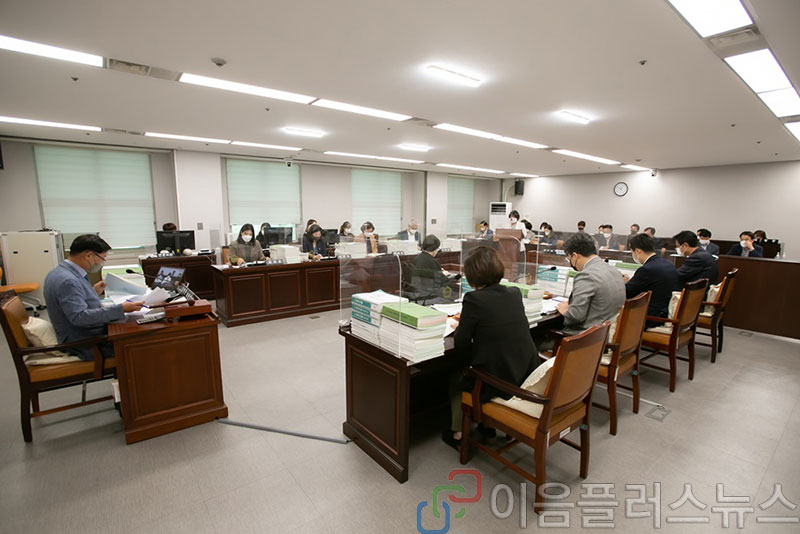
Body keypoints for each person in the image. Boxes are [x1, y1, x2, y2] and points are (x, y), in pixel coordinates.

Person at [444, 246, 540, 449]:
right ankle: (488, 429)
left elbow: (461, 343)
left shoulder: (474, 299)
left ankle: (458, 433)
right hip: (522, 372)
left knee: (456, 375)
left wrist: (461, 324)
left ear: (472, 275)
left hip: (496, 381)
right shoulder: (514, 293)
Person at [43, 234, 143, 360]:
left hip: (82, 335)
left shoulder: (60, 272)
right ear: (89, 255)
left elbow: (71, 302)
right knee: (146, 338)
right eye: (102, 258)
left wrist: (92, 292)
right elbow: (79, 317)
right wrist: (121, 309)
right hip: (86, 343)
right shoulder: (68, 281)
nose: (101, 263)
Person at [555, 232, 625, 336]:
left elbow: (576, 316)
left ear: (575, 256)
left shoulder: (586, 275)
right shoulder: (614, 270)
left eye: (569, 258)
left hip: (587, 337)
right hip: (608, 332)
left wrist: (566, 310)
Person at [624, 234, 680, 326]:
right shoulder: (668, 264)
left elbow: (627, 292)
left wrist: (621, 282)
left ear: (637, 251)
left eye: (632, 252)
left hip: (650, 317)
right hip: (664, 311)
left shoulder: (647, 269)